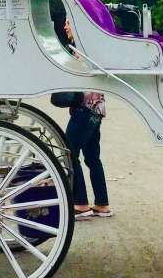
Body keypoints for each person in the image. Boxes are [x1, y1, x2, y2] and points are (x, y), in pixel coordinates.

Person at [63, 20, 112, 220]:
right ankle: (102, 204)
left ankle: (81, 204)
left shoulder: (80, 50)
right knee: (92, 158)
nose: (65, 27)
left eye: (68, 23)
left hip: (84, 109)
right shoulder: (90, 47)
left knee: (69, 154)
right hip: (96, 110)